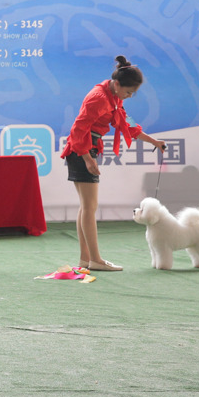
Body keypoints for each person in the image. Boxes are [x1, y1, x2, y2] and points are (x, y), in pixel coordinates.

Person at [61, 55, 166, 271]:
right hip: (82, 149)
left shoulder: (114, 97)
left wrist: (154, 141)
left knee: (86, 207)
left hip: (86, 148)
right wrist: (87, 158)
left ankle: (85, 259)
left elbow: (128, 125)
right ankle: (96, 260)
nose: (129, 96)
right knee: (89, 207)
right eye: (128, 92)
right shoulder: (99, 98)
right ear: (117, 84)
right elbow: (78, 130)